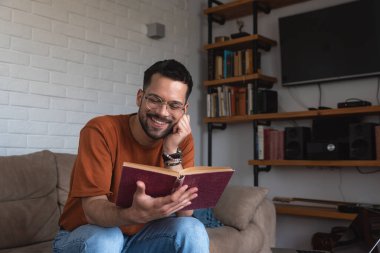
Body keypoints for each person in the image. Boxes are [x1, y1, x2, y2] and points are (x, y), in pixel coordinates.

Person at [53, 59, 210, 253]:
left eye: (174, 105)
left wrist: (171, 152)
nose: (162, 112)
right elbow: (92, 210)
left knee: (193, 229)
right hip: (85, 235)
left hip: (142, 237)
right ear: (140, 97)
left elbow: (185, 212)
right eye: (155, 99)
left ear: (184, 110)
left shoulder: (181, 139)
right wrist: (134, 214)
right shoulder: (100, 130)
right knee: (109, 238)